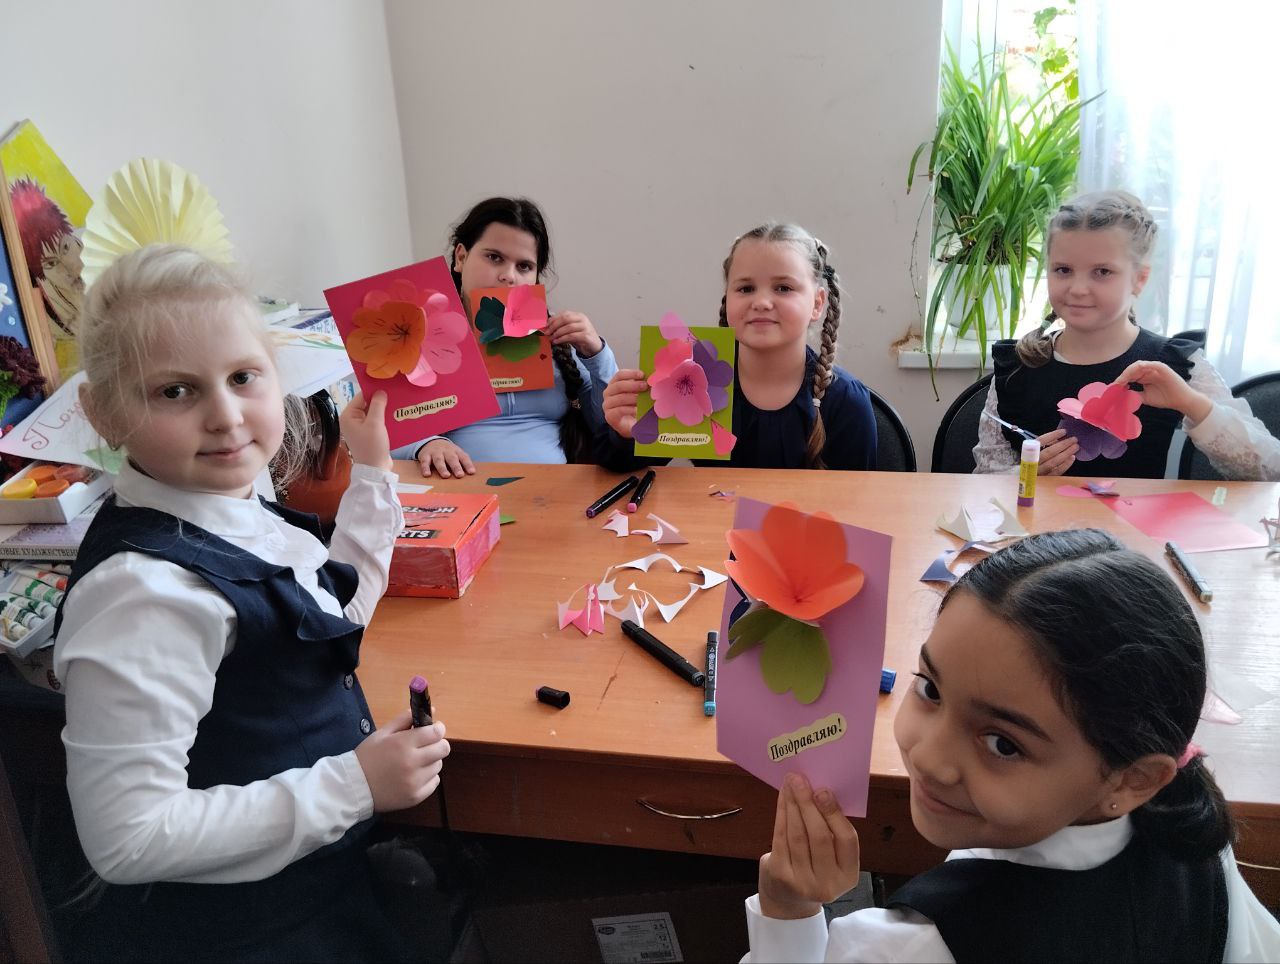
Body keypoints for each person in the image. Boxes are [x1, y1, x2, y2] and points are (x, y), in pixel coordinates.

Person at [54, 244, 449, 961]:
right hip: (248, 932)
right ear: (104, 413)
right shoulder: (144, 594)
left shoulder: (234, 502)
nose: (226, 417)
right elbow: (127, 838)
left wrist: (372, 467)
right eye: (175, 391)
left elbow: (332, 613)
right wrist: (354, 784)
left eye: (243, 377)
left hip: (322, 887)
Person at [744, 529, 1280, 962]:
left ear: (1133, 779)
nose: (928, 757)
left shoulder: (905, 948)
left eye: (1002, 744)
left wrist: (786, 911)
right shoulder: (1197, 839)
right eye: (930, 689)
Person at [973, 190, 1280, 479]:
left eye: (1102, 272)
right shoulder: (1018, 366)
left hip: (1139, 522)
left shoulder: (1176, 363)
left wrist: (1191, 403)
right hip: (1036, 521)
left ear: (1139, 279)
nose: (1078, 289)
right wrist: (1023, 475)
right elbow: (983, 479)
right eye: (1063, 270)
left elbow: (1269, 469)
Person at [601, 222, 877, 470]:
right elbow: (621, 473)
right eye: (745, 289)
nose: (761, 302)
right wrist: (627, 435)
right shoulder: (694, 378)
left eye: (783, 288)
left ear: (817, 303)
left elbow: (853, 505)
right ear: (727, 299)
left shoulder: (846, 403)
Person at [390, 196, 618, 477]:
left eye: (524, 266)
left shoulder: (555, 338)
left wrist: (596, 354)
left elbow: (609, 426)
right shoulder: (422, 337)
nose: (508, 276)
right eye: (494, 257)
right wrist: (425, 444)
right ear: (461, 257)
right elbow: (383, 428)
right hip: (463, 490)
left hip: (553, 492)